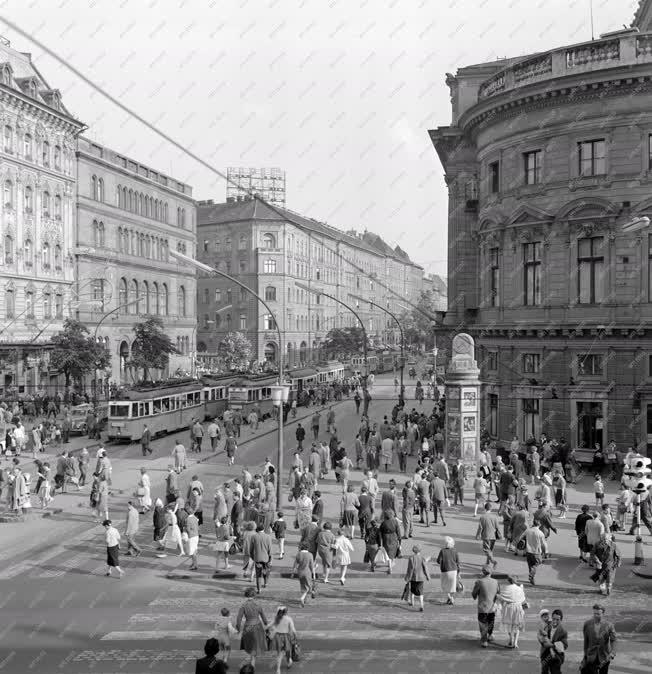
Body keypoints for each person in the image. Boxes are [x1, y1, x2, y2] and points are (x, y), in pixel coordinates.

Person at [236, 587, 269, 669]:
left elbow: (239, 618)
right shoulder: (258, 605)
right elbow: (264, 618)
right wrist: (267, 627)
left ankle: (251, 663)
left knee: (250, 646)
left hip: (247, 627)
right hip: (257, 626)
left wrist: (238, 628)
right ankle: (252, 666)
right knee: (255, 646)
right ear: (254, 595)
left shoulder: (243, 605)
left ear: (246, 595)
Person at [581, 604, 617, 674]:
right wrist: (585, 656)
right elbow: (586, 641)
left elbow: (614, 639)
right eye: (594, 613)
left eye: (598, 614)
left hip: (604, 656)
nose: (595, 616)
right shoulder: (587, 624)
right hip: (591, 656)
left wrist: (613, 653)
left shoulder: (609, 625)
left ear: (603, 614)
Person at [472, 567, 500, 648]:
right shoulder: (496, 582)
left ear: (483, 572)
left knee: (483, 623)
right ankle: (490, 635)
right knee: (491, 621)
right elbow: (498, 593)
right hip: (492, 606)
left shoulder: (479, 582)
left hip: (483, 607)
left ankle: (484, 641)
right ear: (491, 573)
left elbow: (474, 594)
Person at [497, 575, 527, 649]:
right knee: (517, 625)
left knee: (509, 625)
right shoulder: (519, 589)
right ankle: (515, 642)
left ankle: (511, 640)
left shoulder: (506, 588)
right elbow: (523, 599)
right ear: (516, 581)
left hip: (509, 608)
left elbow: (501, 597)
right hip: (518, 608)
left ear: (509, 581)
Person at [516, 519, 547, 586]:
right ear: (539, 525)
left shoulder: (528, 530)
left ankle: (531, 578)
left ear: (533, 523)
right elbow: (543, 544)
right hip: (536, 552)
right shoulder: (540, 533)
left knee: (530, 565)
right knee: (538, 562)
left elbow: (520, 538)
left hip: (528, 551)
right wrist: (545, 552)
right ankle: (531, 575)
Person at [268, 606, 297, 674]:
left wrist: (266, 629)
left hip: (278, 637)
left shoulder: (277, 618)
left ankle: (282, 666)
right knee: (286, 651)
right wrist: (295, 637)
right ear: (286, 612)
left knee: (280, 653)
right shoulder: (289, 619)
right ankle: (285, 664)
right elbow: (293, 629)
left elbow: (269, 625)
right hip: (286, 637)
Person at [539, 608, 568, 674]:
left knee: (555, 672)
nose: (555, 621)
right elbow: (540, 635)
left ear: (561, 620)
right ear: (551, 618)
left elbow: (565, 645)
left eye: (557, 620)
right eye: (553, 619)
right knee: (544, 671)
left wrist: (552, 645)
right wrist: (542, 641)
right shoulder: (546, 625)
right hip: (545, 654)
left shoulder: (563, 631)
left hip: (556, 656)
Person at [404, 543, 430, 611]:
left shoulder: (411, 558)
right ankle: (421, 605)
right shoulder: (422, 558)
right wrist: (427, 576)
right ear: (420, 551)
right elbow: (425, 568)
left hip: (413, 577)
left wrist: (407, 577)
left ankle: (412, 602)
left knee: (412, 591)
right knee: (420, 592)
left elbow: (409, 569)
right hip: (421, 578)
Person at [435, 536, 460, 605]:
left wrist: (442, 561)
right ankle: (451, 597)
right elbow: (458, 562)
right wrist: (459, 572)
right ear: (452, 543)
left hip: (445, 570)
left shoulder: (442, 551)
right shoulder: (455, 551)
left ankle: (450, 598)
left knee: (445, 585)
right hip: (454, 570)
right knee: (452, 586)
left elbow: (438, 561)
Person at [476, 502, 502, 569]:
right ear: (491, 509)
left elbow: (480, 528)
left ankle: (493, 561)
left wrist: (478, 535)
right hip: (493, 536)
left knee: (486, 550)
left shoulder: (482, 517)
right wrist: (500, 535)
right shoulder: (495, 517)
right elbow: (497, 527)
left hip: (486, 535)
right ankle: (487, 562)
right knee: (490, 550)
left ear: (485, 508)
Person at [251, 524, 273, 594]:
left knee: (258, 575)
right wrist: (270, 558)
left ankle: (259, 589)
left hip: (257, 558)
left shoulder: (254, 536)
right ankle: (266, 583)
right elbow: (270, 549)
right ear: (263, 529)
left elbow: (251, 549)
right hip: (266, 558)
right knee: (266, 571)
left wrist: (253, 557)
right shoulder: (268, 537)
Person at [379, 509, 401, 575]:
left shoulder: (383, 523)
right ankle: (391, 565)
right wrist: (400, 540)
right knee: (393, 551)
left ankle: (390, 565)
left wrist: (380, 542)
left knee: (387, 552)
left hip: (386, 538)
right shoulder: (395, 522)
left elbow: (380, 532)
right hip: (394, 537)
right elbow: (398, 532)